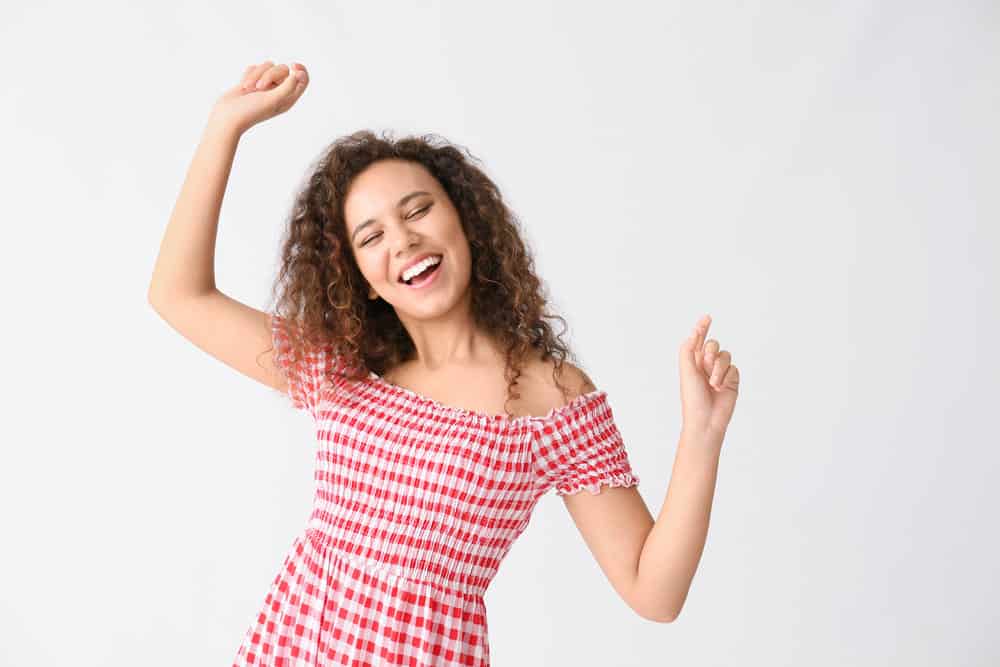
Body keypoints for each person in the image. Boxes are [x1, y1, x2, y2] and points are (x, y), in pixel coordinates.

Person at [148, 60, 741, 667]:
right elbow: (178, 294)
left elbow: (654, 592)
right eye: (371, 236)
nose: (401, 241)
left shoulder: (550, 397)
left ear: (466, 222)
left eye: (416, 210)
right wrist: (225, 128)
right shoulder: (343, 371)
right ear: (364, 280)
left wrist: (702, 434)